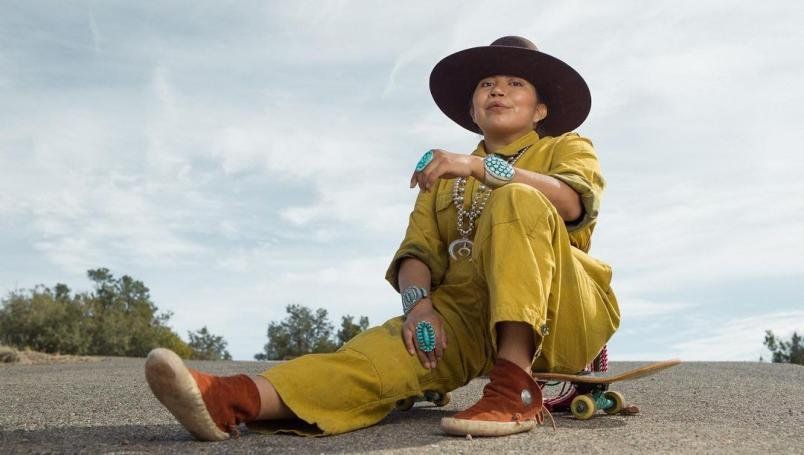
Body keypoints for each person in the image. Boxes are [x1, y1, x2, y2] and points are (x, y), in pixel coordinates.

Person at [145, 36, 620, 440]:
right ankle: (230, 399)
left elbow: (572, 204)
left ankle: (513, 386)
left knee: (517, 199)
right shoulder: (444, 177)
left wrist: (481, 166)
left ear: (540, 109)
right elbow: (417, 252)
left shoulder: (566, 146)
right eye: (486, 84)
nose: (497, 89)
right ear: (473, 110)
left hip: (561, 310)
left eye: (515, 83)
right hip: (467, 313)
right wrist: (419, 306)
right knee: (373, 357)